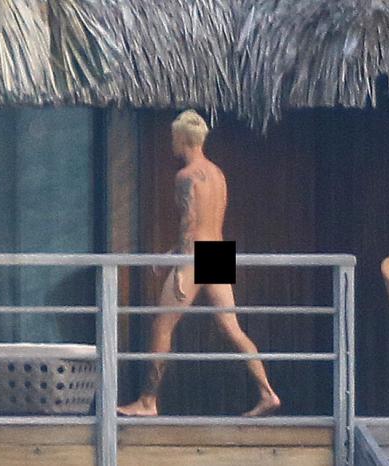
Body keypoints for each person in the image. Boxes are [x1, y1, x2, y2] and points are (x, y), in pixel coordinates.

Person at [117, 110, 281, 417]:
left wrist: (179, 265)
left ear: (183, 139)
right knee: (232, 328)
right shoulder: (218, 174)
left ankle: (148, 401)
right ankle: (267, 393)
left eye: (173, 137)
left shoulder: (186, 177)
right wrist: (173, 253)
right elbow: (209, 224)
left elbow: (190, 223)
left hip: (194, 256)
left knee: (162, 325)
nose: (171, 143)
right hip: (217, 253)